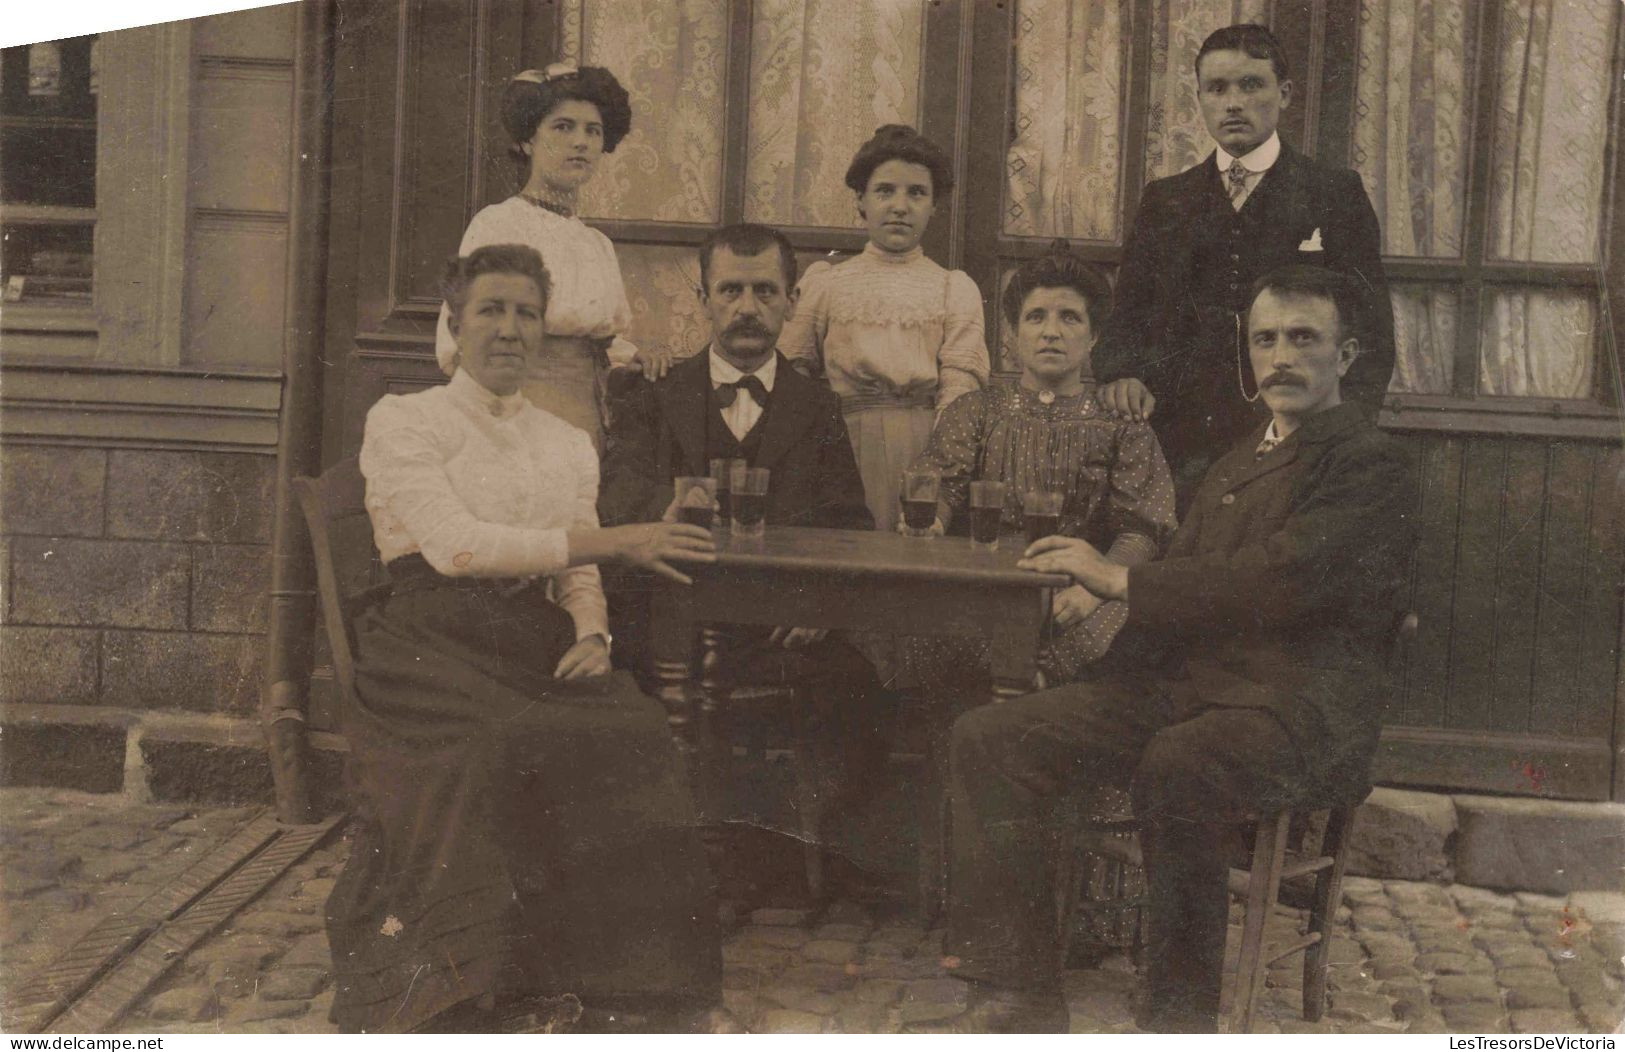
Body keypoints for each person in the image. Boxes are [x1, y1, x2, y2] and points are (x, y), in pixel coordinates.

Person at [924, 266, 1417, 1033]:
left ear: (1346, 355)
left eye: (1302, 338)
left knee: (1180, 761)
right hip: (1196, 690)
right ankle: (1014, 995)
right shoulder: (1241, 457)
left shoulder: (1367, 463)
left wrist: (1116, 578)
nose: (1280, 356)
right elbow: (1185, 579)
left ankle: (1177, 1022)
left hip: (1298, 707)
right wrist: (1092, 660)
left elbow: (1276, 579)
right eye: (1264, 339)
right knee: (990, 734)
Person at [327, 244, 738, 1034]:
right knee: (497, 745)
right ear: (455, 323)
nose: (510, 330)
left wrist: (592, 631)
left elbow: (572, 563)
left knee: (632, 727)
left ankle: (626, 983)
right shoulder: (405, 420)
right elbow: (456, 548)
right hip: (426, 638)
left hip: (530, 634)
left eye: (525, 314)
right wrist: (618, 543)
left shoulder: (564, 440)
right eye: (491, 310)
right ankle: (475, 981)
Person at [599, 222, 895, 848]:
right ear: (703, 299)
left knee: (856, 686)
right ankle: (666, 854)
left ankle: (804, 855)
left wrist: (819, 598)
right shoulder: (653, 396)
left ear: (791, 301)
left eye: (765, 291)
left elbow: (848, 523)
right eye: (730, 290)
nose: (747, 308)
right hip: (665, 619)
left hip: (778, 627)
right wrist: (675, 505)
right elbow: (616, 504)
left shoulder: (817, 406)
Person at [1092, 23, 1394, 510]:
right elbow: (1125, 321)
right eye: (1217, 88)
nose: (1233, 103)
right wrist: (1121, 375)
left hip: (1296, 441)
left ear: (1285, 93)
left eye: (1251, 85)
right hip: (1176, 441)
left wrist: (1339, 441)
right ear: (1200, 99)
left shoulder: (1333, 193)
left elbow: (1372, 333)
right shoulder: (1165, 202)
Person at [904, 243, 1177, 690]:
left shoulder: (1121, 425)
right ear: (1010, 337)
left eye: (1070, 318)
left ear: (1093, 338)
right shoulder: (975, 411)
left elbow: (1143, 528)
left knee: (1125, 633)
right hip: (985, 586)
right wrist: (933, 519)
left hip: (1082, 593)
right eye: (1036, 317)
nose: (1052, 331)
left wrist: (1095, 589)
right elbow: (942, 484)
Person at [432, 64, 669, 454]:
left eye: (593, 131)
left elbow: (600, 346)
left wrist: (637, 357)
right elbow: (461, 346)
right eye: (563, 127)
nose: (581, 142)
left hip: (589, 421)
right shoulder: (499, 225)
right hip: (517, 420)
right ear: (528, 140)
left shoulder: (596, 244)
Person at [778, 124, 990, 533]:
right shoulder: (827, 282)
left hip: (928, 446)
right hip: (841, 447)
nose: (900, 206)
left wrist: (939, 469)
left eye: (916, 193)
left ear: (934, 206)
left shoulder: (952, 287)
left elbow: (960, 390)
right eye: (884, 191)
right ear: (860, 200)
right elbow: (794, 374)